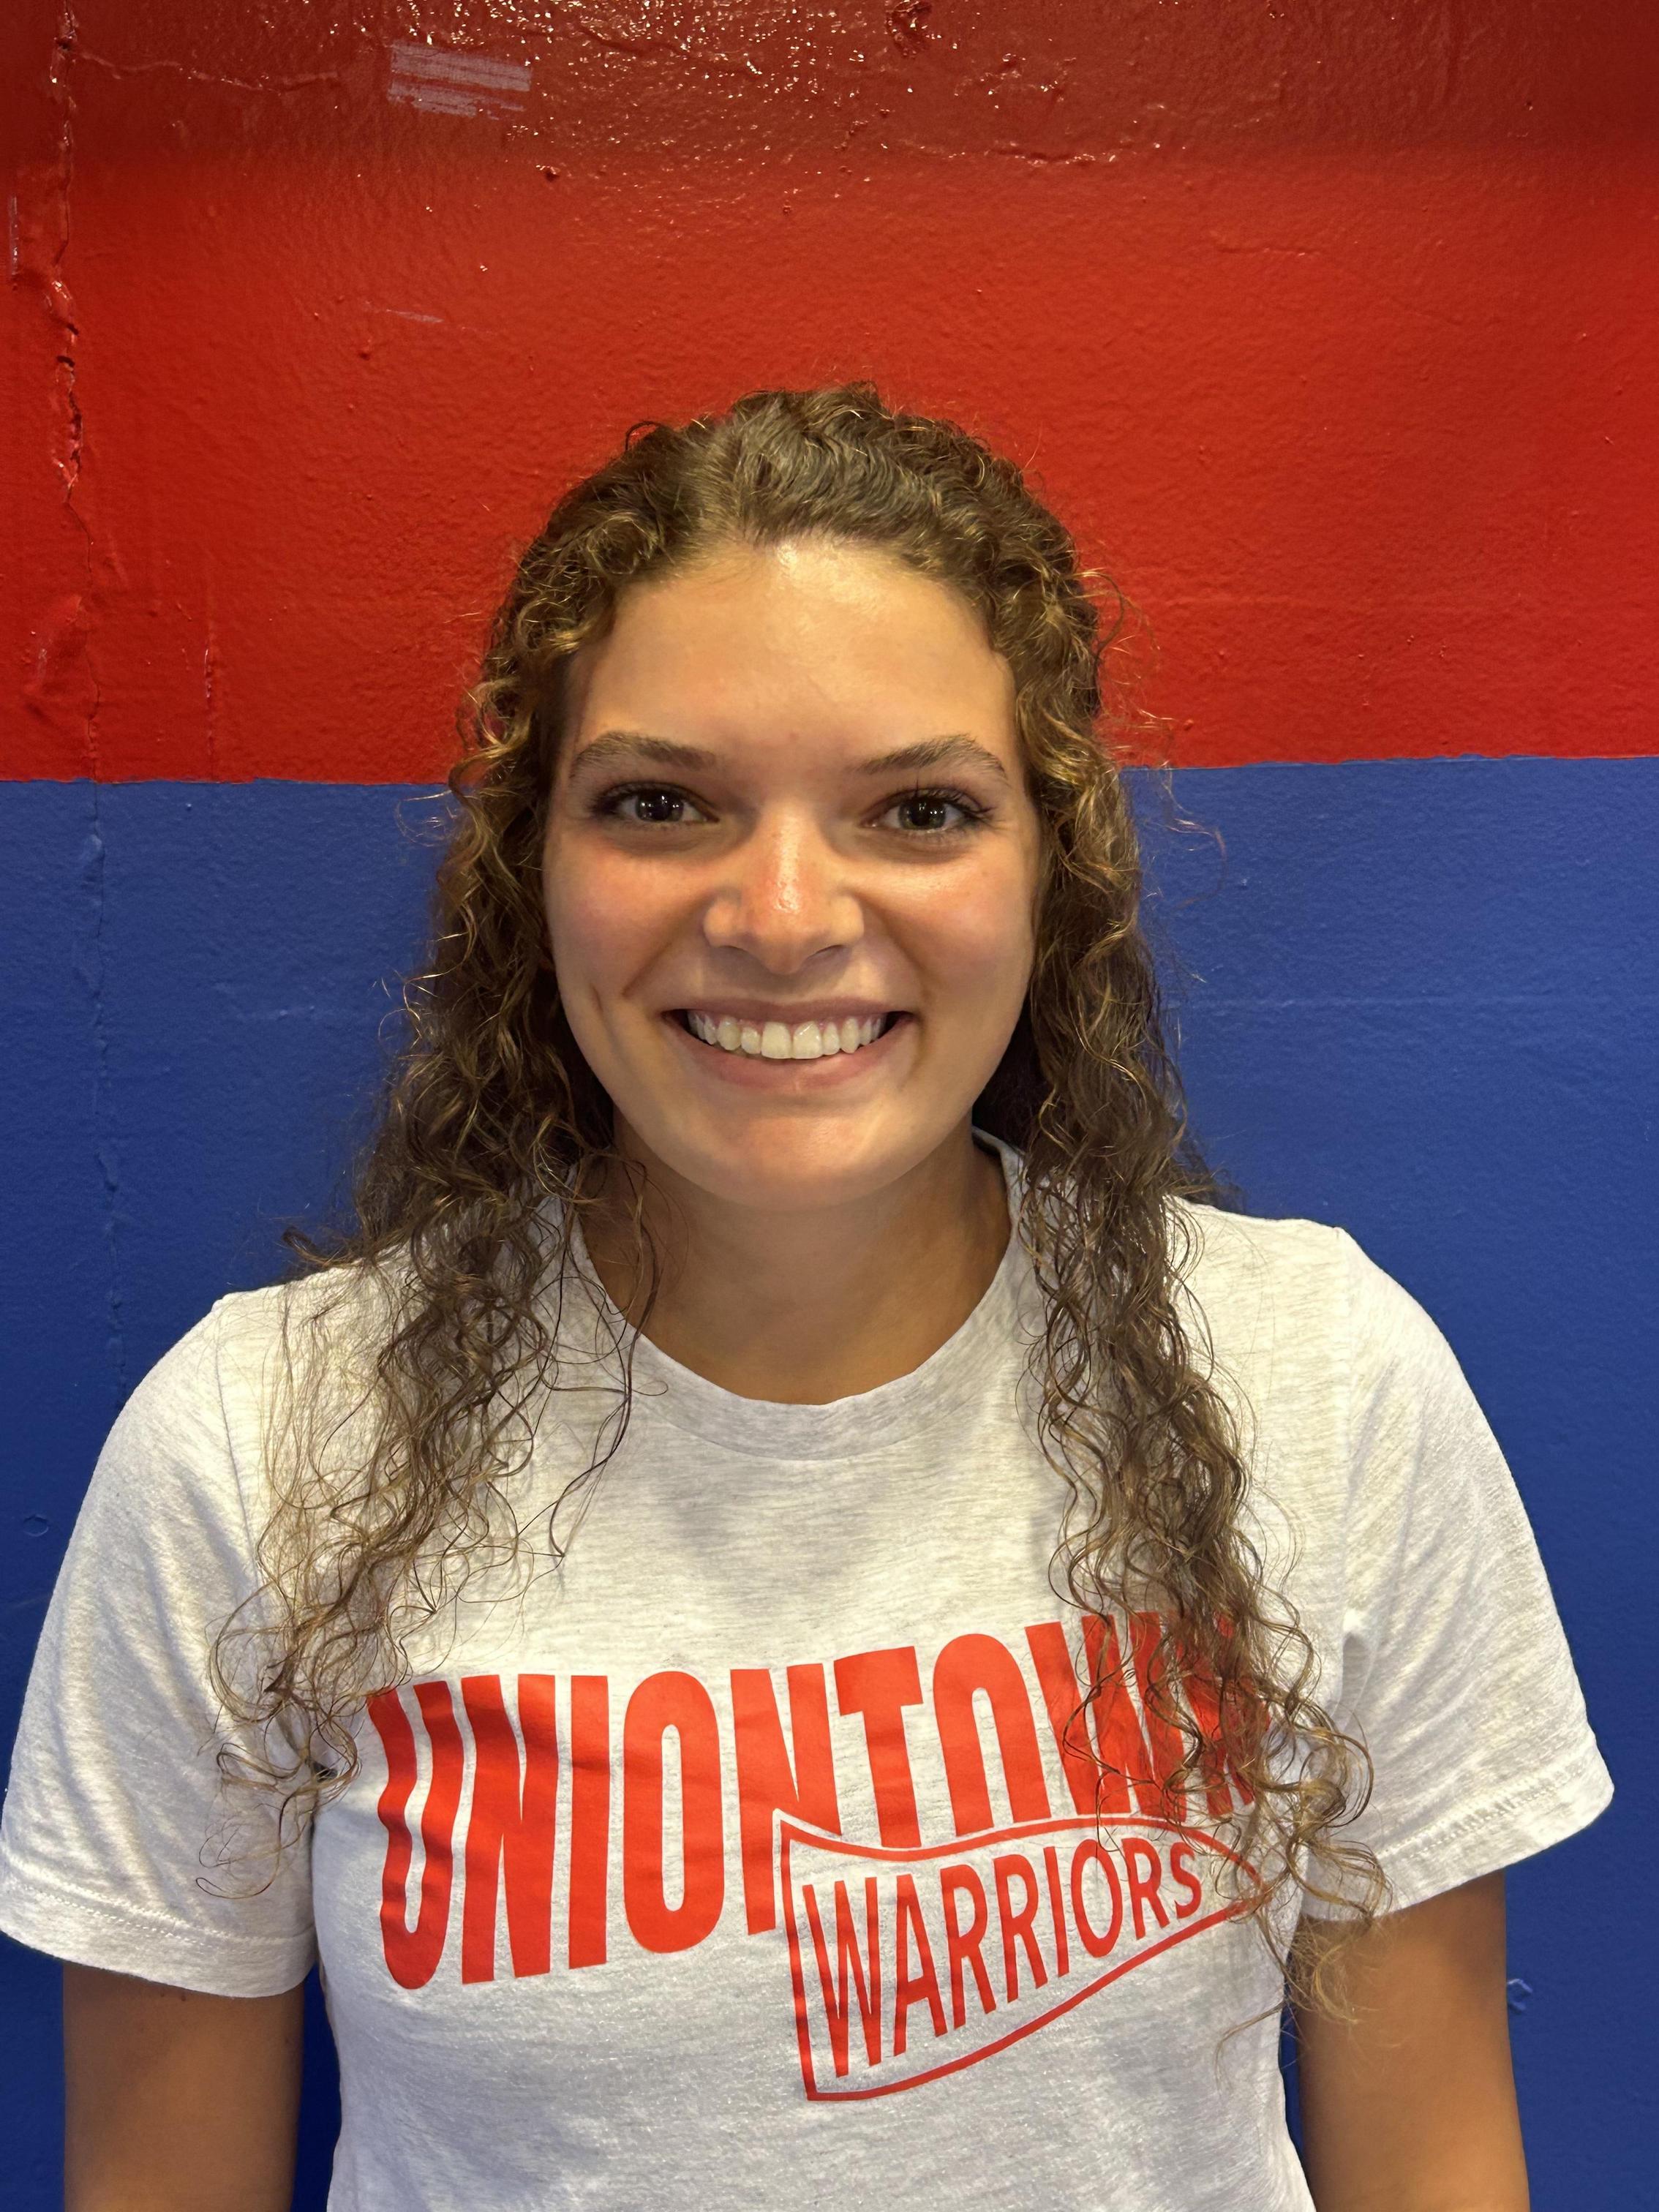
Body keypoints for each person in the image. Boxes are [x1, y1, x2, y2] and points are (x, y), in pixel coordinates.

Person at [0, 383, 1610, 2212]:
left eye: (918, 809)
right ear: (534, 866)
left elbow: (1438, 2159)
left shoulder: (1318, 1379)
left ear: (1049, 869)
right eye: (659, 803)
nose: (782, 916)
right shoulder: (256, 1445)